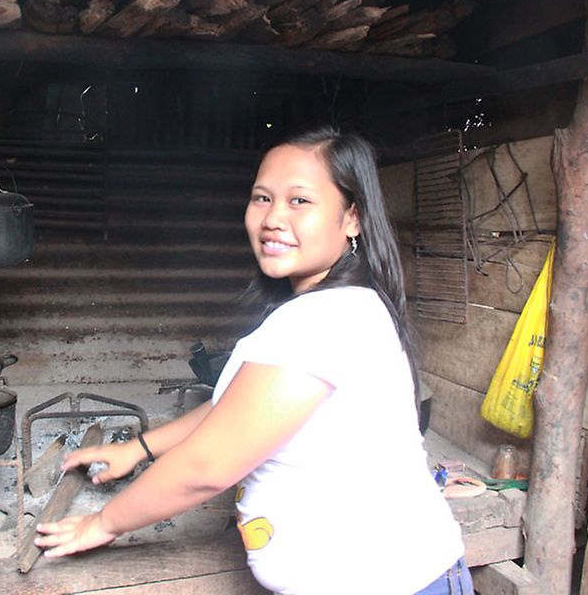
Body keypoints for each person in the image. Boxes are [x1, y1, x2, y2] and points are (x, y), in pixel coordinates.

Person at [36, 127, 471, 594]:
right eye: (262, 198)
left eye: (299, 201)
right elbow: (238, 409)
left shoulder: (328, 318)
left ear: (353, 218)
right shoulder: (339, 306)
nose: (273, 219)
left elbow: (206, 469)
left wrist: (103, 523)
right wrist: (138, 449)